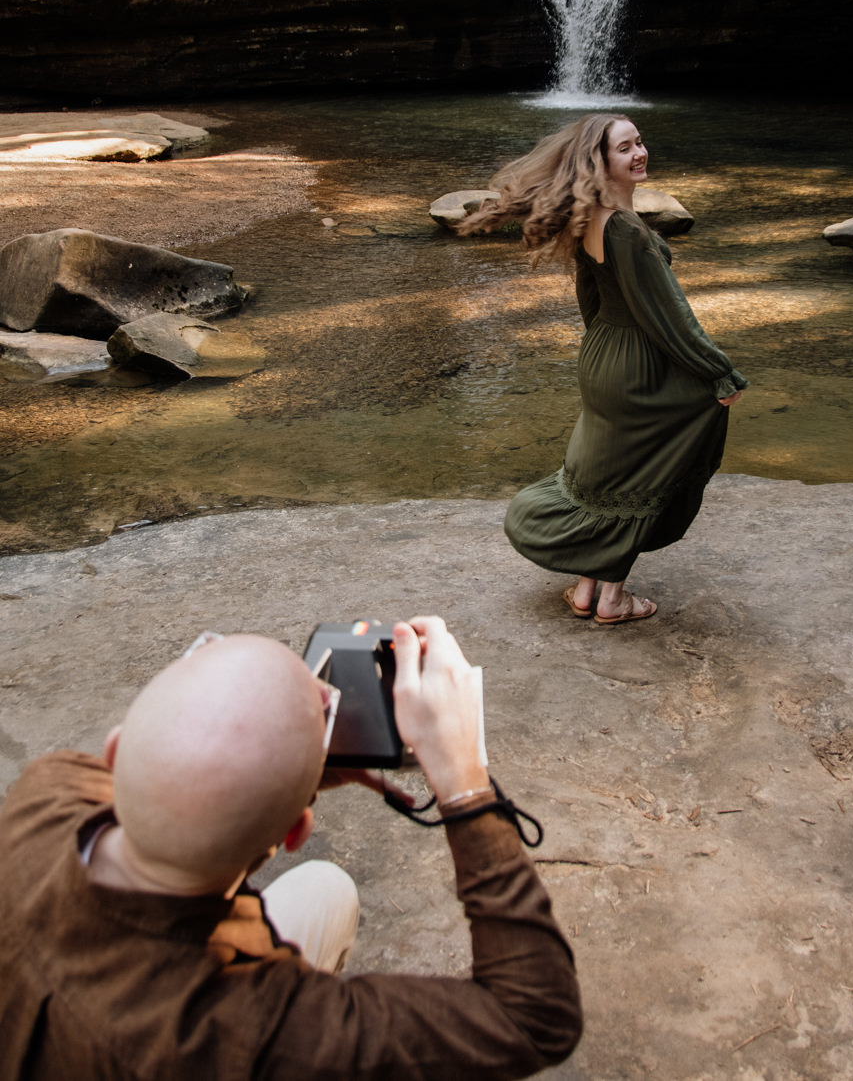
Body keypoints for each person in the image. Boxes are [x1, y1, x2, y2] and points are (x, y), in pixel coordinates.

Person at [0, 621, 582, 1080]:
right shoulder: (258, 1033)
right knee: (328, 890)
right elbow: (535, 1017)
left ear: (114, 751)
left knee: (323, 894)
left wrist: (279, 765)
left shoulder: (46, 792)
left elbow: (178, 776)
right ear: (294, 834)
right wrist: (463, 782)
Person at [460, 113, 748, 625]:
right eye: (624, 148)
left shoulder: (590, 217)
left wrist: (600, 345)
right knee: (650, 471)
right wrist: (719, 374)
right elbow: (668, 315)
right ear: (599, 161)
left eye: (639, 142)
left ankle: (586, 589)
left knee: (612, 475)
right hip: (638, 361)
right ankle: (613, 599)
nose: (639, 153)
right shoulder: (628, 231)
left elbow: (590, 296)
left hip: (605, 356)